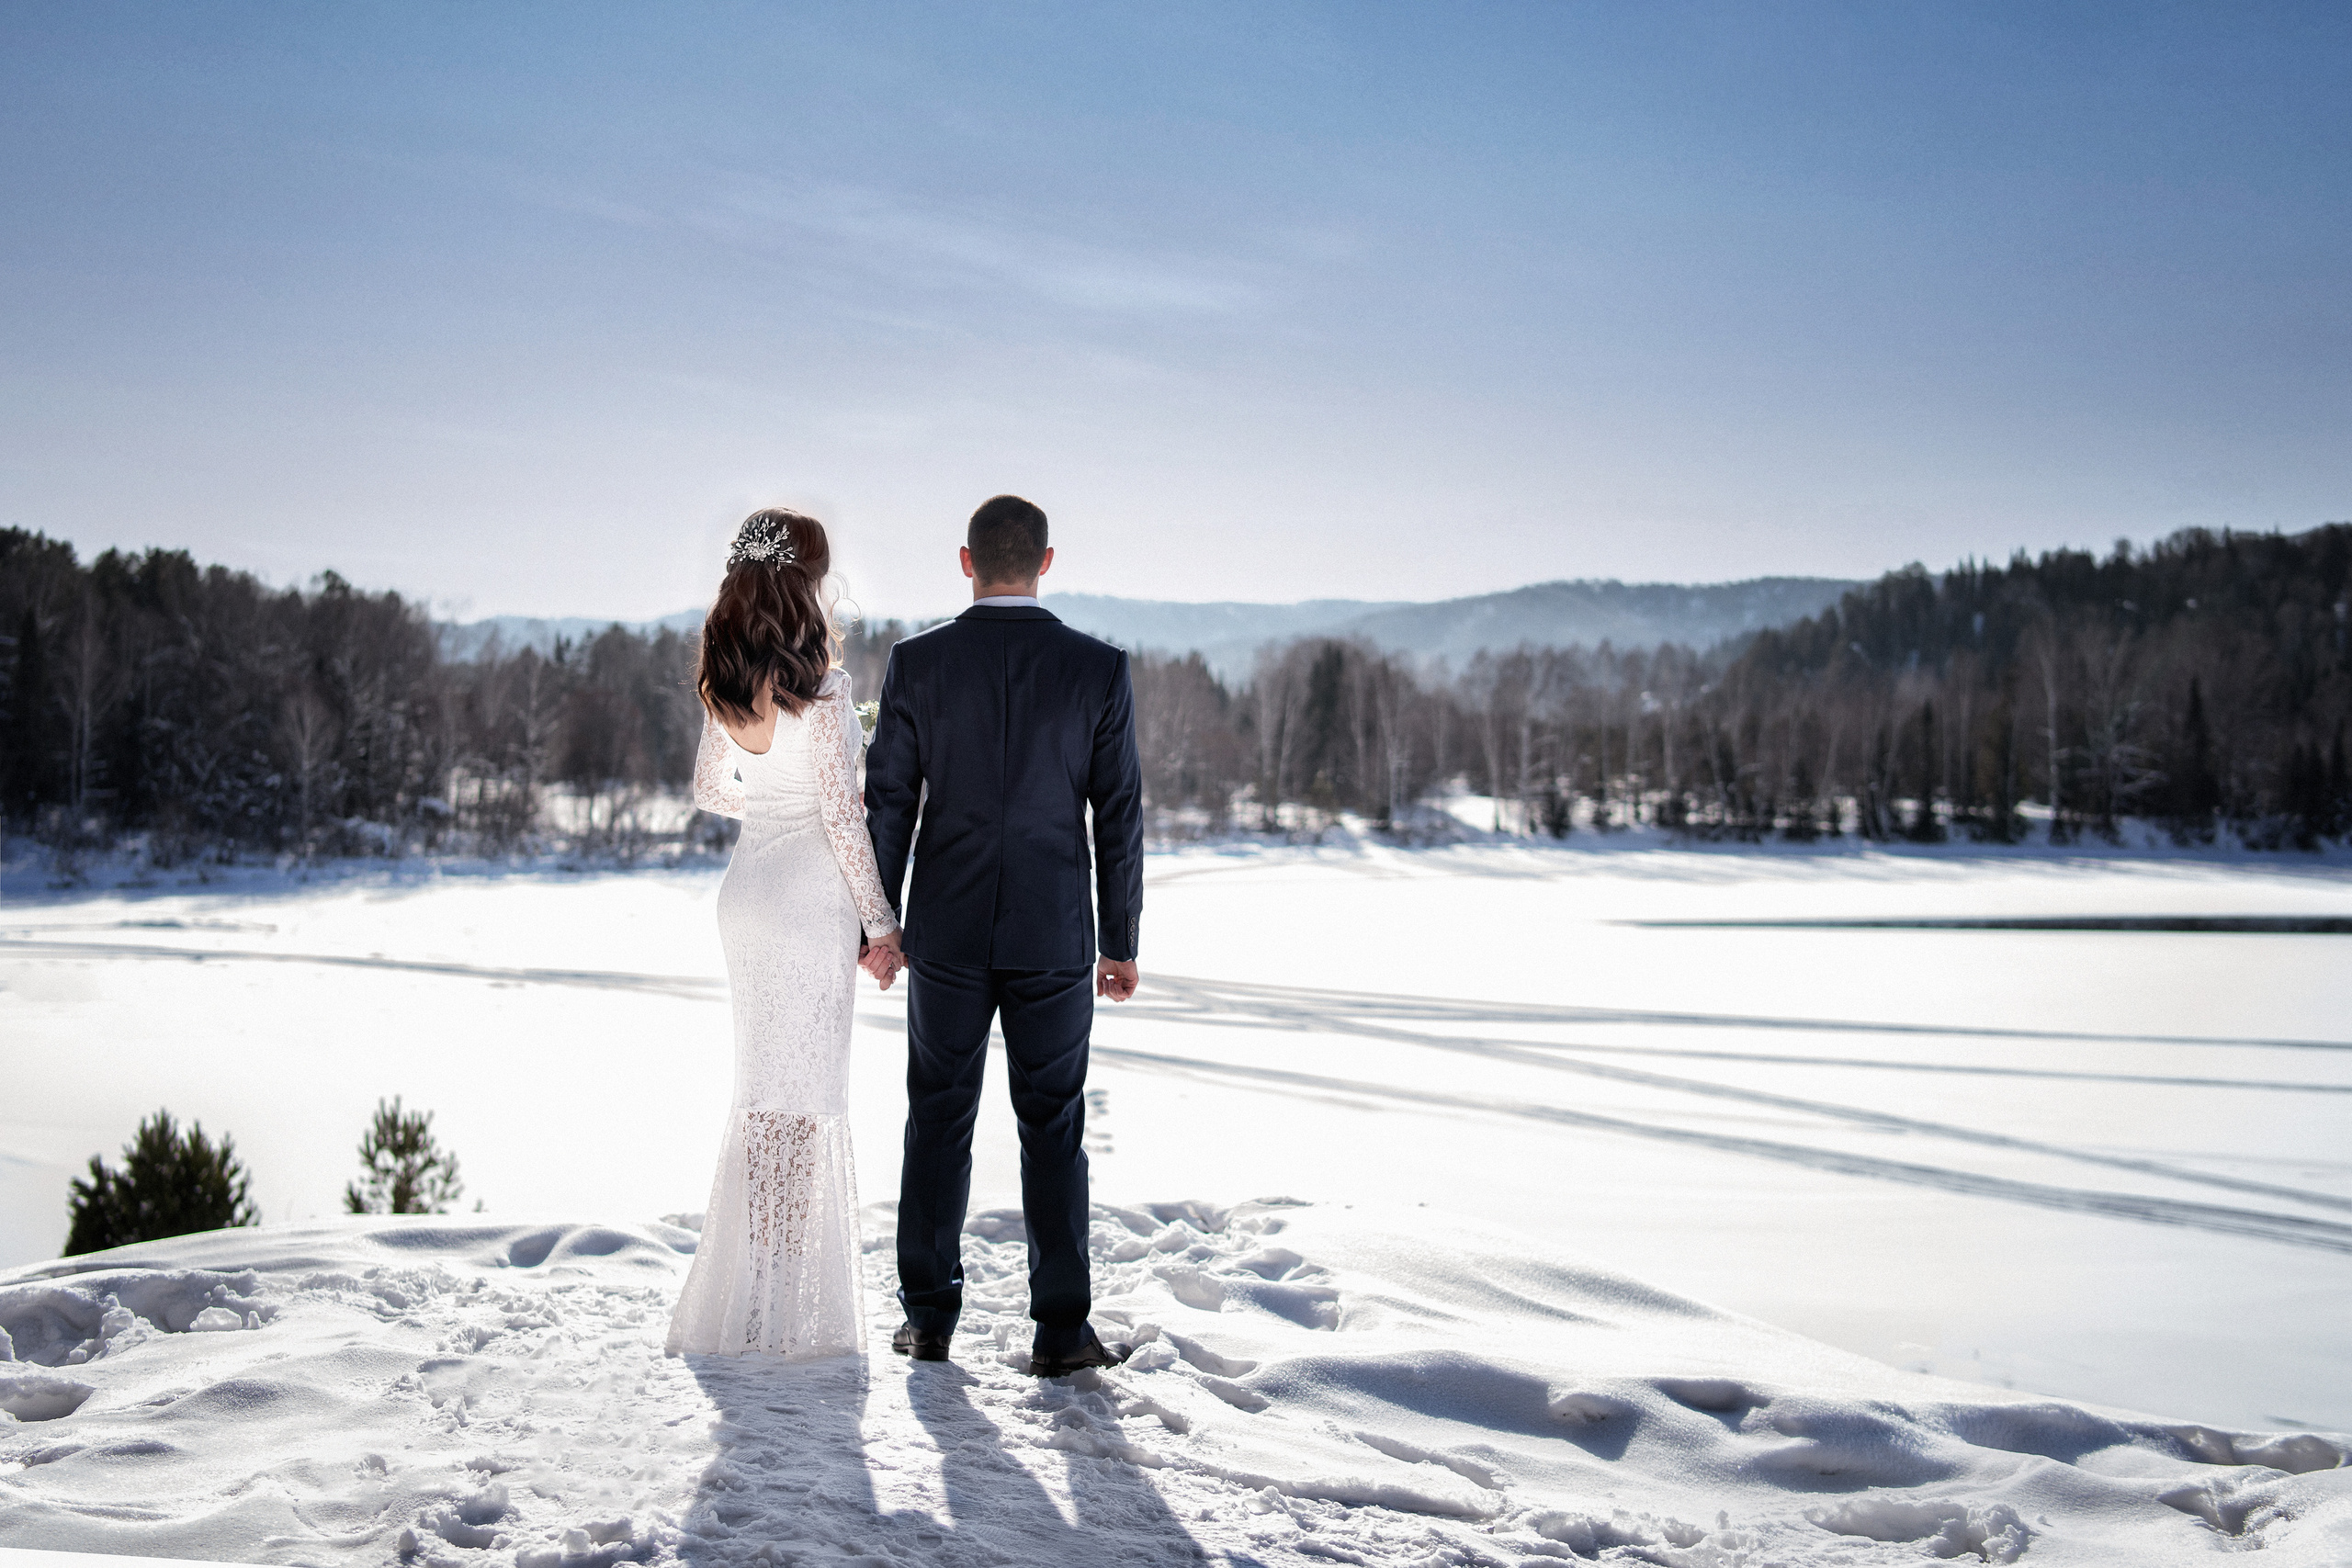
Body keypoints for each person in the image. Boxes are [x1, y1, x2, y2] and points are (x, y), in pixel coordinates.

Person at [864, 493, 1145, 1378]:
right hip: (1056, 932)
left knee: (937, 1117)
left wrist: (878, 924)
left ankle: (930, 1318)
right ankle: (1061, 1329)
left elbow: (890, 804)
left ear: (966, 561)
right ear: (1047, 563)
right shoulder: (1097, 668)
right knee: (1053, 1125)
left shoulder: (918, 663)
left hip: (943, 931)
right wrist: (1120, 938)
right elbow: (1120, 812)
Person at [665, 508, 906, 1359]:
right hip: (809, 902)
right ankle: (779, 1304)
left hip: (746, 895)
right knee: (803, 1105)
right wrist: (882, 925)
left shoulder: (723, 681)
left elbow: (708, 786)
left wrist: (767, 805)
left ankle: (755, 1294)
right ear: (805, 580)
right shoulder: (828, 689)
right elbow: (843, 819)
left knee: (762, 1097)